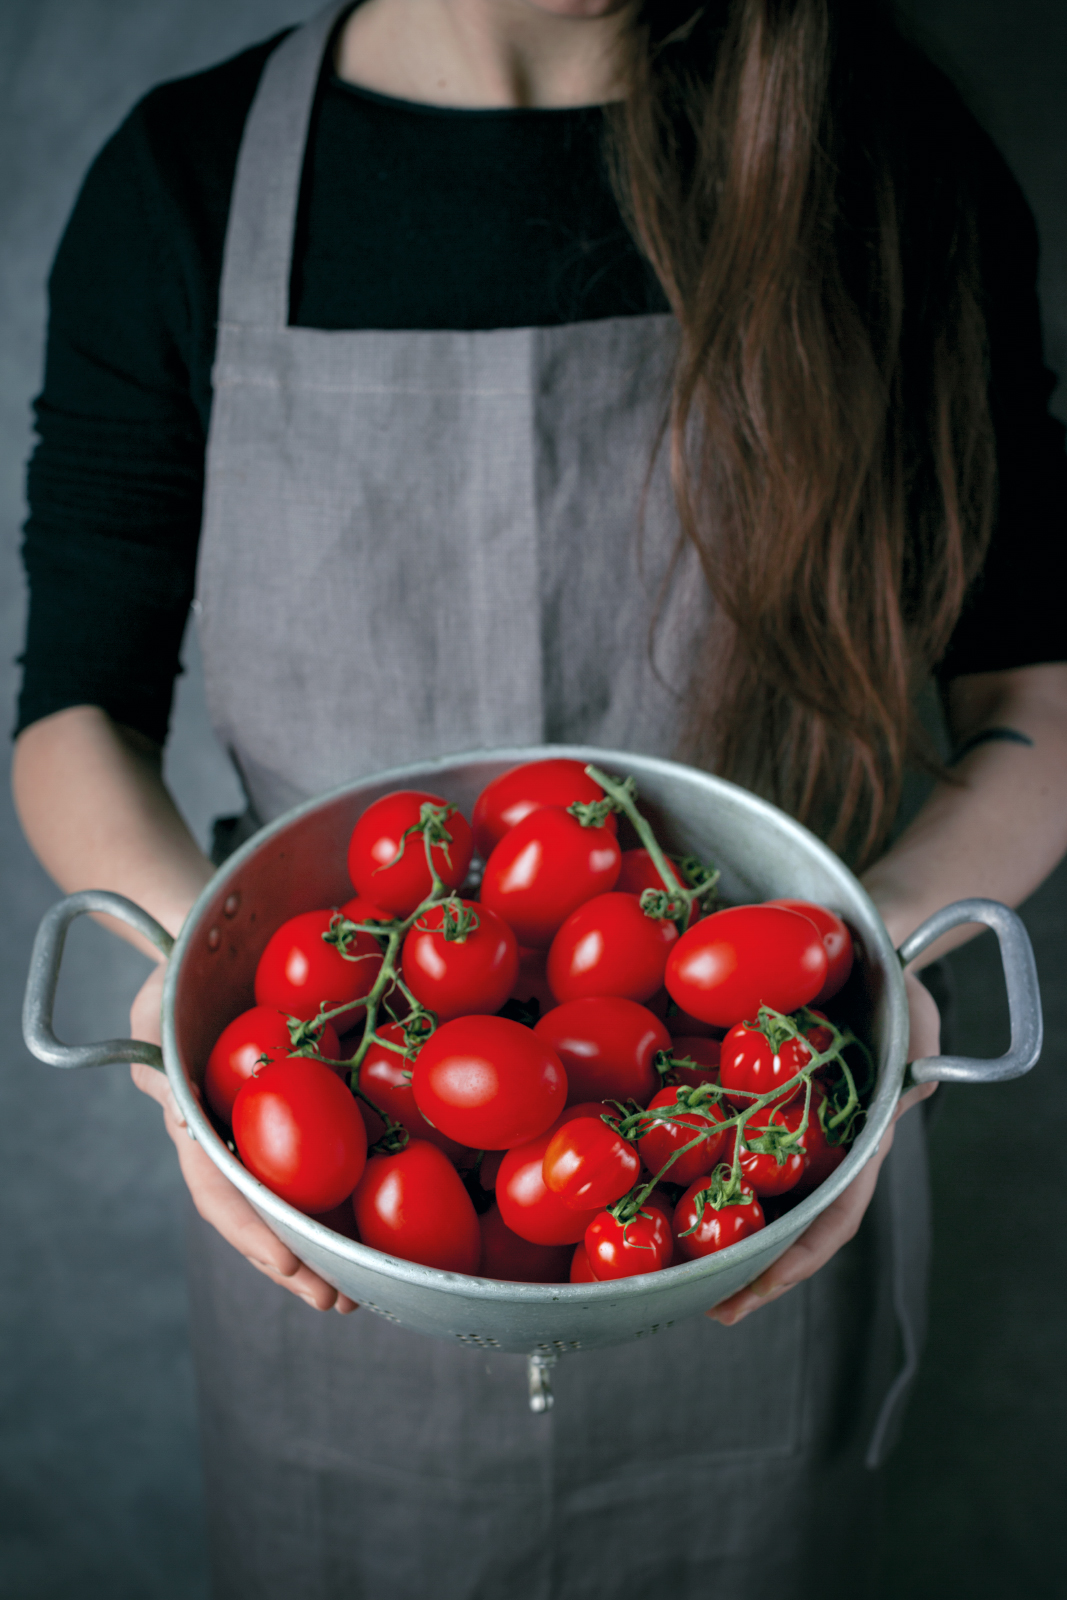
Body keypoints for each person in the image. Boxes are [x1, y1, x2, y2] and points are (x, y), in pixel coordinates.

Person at [12, 1, 1067, 1595]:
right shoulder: (188, 178)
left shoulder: (885, 156)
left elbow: (1038, 692)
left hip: (745, 1174)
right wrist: (195, 974)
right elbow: (76, 710)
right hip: (336, 1205)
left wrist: (872, 952)